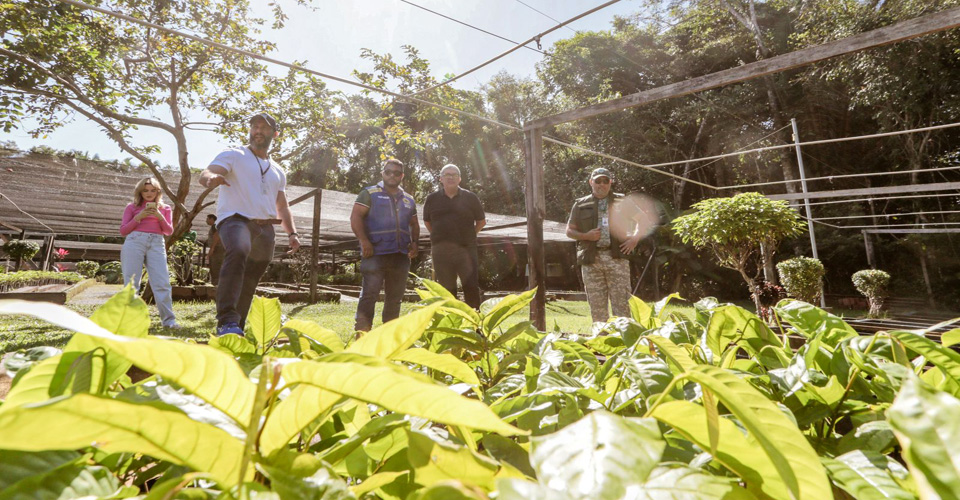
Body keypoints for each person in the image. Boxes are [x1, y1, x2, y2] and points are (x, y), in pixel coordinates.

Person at [199, 112, 301, 336]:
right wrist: (209, 179)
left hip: (265, 227)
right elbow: (208, 172)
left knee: (252, 277)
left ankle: (237, 327)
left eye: (264, 128)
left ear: (274, 134)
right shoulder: (234, 154)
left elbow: (282, 206)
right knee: (238, 251)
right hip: (235, 219)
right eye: (255, 126)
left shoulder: (278, 170)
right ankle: (225, 320)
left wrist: (292, 233)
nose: (258, 131)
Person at [350, 158, 419, 332]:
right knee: (369, 296)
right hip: (374, 254)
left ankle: (388, 336)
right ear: (383, 173)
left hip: (400, 256)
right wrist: (364, 241)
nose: (392, 175)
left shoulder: (409, 199)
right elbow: (356, 217)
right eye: (388, 172)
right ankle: (362, 334)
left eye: (396, 173)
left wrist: (415, 243)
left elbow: (415, 224)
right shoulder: (369, 193)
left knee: (395, 299)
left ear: (402, 176)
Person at [566, 167, 642, 323]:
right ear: (591, 182)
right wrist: (586, 236)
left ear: (610, 182)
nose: (602, 184)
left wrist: (634, 239)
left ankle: (623, 342)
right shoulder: (580, 204)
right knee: (597, 308)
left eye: (605, 181)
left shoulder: (623, 201)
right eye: (598, 181)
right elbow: (569, 231)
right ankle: (601, 344)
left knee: (622, 306)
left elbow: (642, 220)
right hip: (591, 260)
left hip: (617, 259)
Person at [422, 164, 486, 308]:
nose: (450, 177)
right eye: (447, 175)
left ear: (459, 179)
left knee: (471, 287)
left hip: (466, 250)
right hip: (441, 252)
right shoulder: (432, 199)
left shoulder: (470, 198)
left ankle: (475, 327)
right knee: (446, 290)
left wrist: (470, 235)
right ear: (441, 179)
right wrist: (439, 237)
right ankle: (450, 325)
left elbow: (481, 221)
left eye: (454, 175)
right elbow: (427, 221)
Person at [119, 177, 179, 328]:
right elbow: (123, 231)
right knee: (131, 283)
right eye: (145, 190)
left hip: (157, 243)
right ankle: (130, 321)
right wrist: (139, 217)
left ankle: (169, 321)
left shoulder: (165, 208)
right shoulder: (131, 207)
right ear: (140, 191)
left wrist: (159, 216)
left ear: (158, 191)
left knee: (162, 282)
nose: (149, 193)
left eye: (153, 190)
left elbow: (168, 231)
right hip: (134, 241)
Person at [205, 214, 224, 286]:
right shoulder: (215, 226)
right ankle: (216, 283)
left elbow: (217, 235)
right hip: (217, 248)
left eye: (207, 219)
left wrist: (212, 248)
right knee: (214, 266)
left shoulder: (215, 225)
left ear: (211, 219)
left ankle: (216, 284)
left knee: (215, 266)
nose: (206, 221)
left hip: (217, 249)